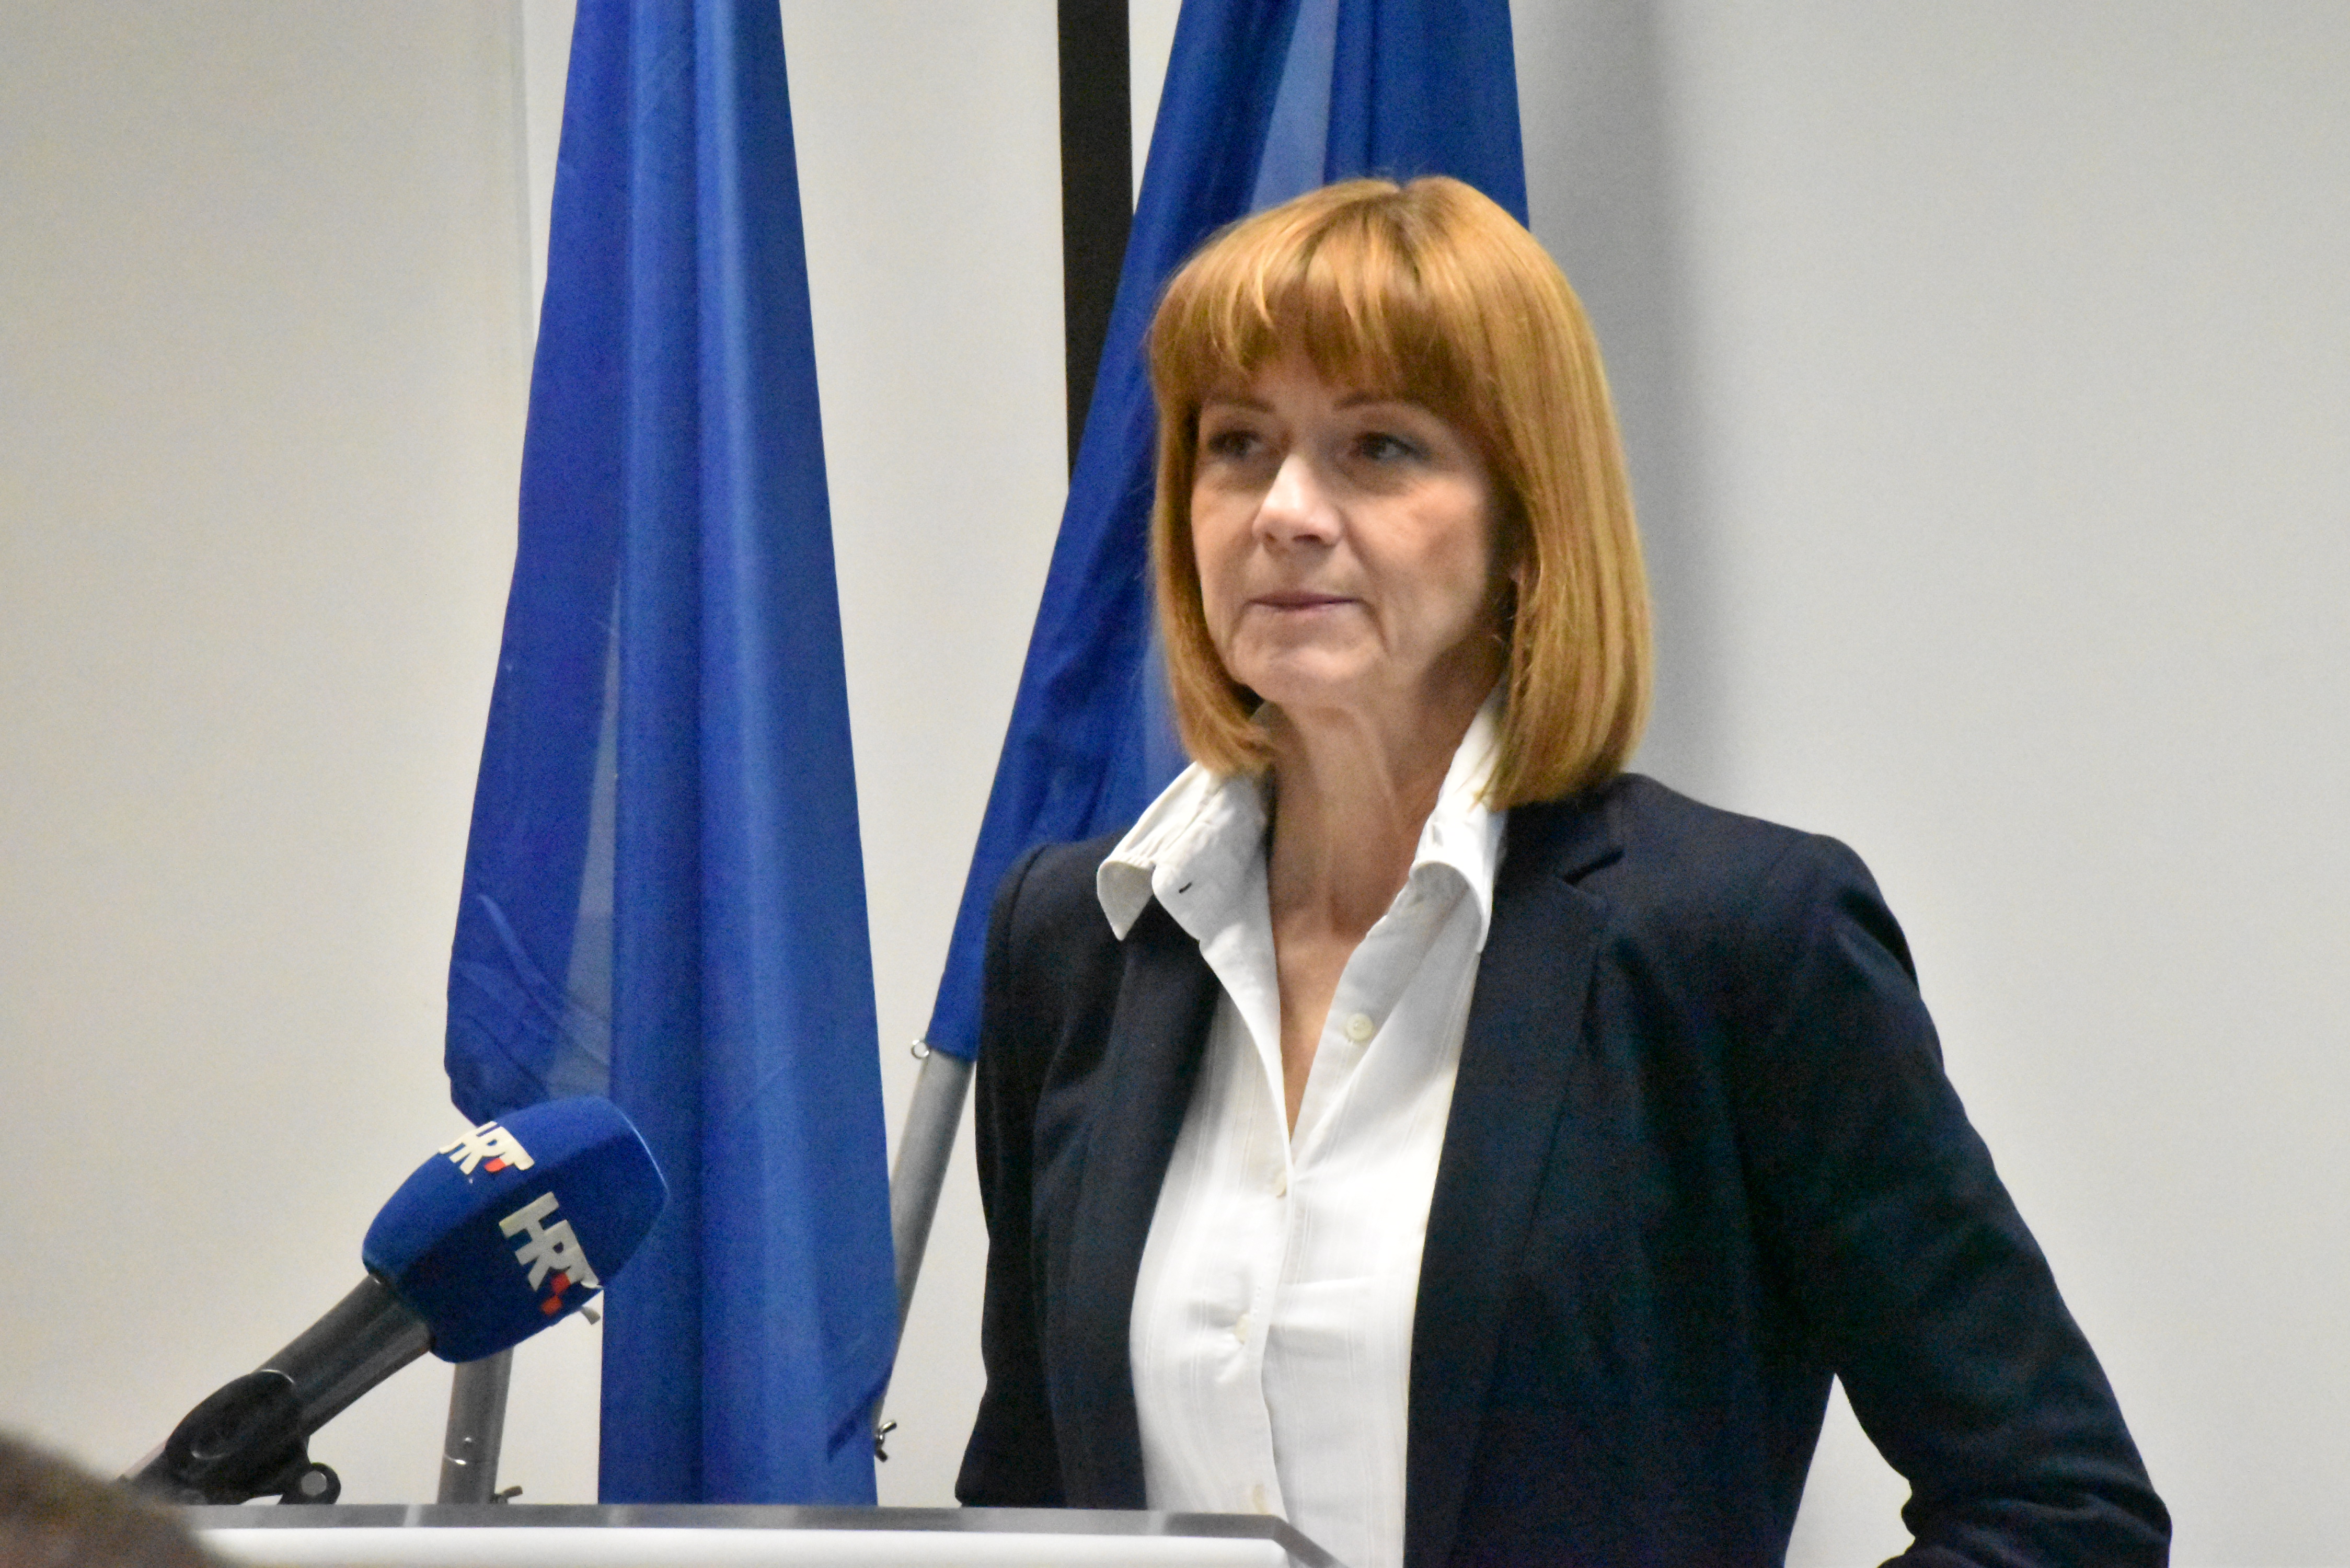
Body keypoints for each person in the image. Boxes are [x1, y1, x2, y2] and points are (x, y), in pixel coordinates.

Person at [955, 176, 2168, 1567]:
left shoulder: (1737, 940)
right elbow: (1032, 1504)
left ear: (1525, 521)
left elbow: (2060, 1513)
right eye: (1237, 444)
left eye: (1378, 447)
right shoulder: (1078, 942)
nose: (1284, 510)